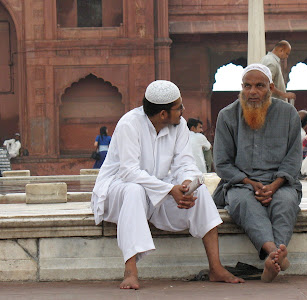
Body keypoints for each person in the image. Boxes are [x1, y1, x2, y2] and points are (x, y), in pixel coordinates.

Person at [91, 80, 243, 290]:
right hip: (118, 189)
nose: (183, 111)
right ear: (163, 114)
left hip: (156, 187)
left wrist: (186, 183)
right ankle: (130, 270)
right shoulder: (129, 124)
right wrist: (169, 190)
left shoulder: (179, 125)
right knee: (134, 190)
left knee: (200, 194)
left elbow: (184, 162)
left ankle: (215, 268)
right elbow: (129, 172)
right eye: (178, 107)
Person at [213, 64, 302, 282]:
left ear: (271, 87)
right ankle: (274, 252)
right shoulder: (227, 115)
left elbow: (293, 159)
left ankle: (273, 257)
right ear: (241, 88)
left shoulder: (288, 114)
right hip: (240, 184)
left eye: (259, 86)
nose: (253, 92)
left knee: (285, 202)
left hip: (280, 183)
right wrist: (250, 183)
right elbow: (222, 163)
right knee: (243, 202)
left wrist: (274, 185)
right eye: (247, 86)